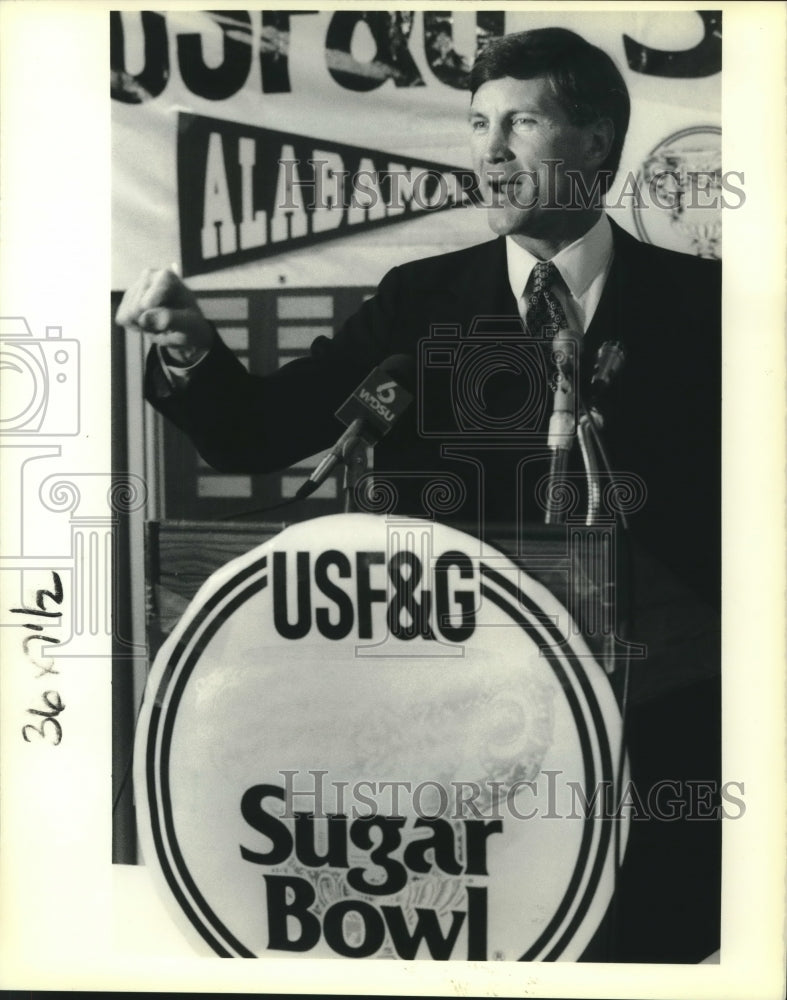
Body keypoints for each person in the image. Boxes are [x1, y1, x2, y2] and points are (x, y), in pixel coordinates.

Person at [117, 28, 721, 963]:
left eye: (519, 122)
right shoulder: (419, 300)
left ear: (596, 141)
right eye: (477, 123)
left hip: (658, 731)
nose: (486, 151)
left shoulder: (709, 307)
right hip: (456, 751)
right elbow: (258, 433)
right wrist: (191, 347)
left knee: (644, 956)